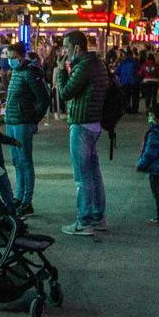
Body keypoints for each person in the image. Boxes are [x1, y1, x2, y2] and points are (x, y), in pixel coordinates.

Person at [56, 31, 109, 236]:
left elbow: (65, 92)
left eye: (66, 47)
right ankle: (98, 217)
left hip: (82, 124)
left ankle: (84, 221)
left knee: (82, 176)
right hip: (94, 123)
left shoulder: (84, 66)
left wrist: (61, 71)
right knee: (94, 174)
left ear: (77, 48)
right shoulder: (98, 64)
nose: (65, 52)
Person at [3, 42, 50, 216]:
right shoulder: (16, 72)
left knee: (25, 161)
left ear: (22, 56)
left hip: (22, 123)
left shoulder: (30, 73)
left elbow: (43, 99)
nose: (11, 60)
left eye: (14, 57)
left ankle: (27, 200)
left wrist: (33, 120)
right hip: (12, 121)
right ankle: (19, 196)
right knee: (16, 161)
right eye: (9, 57)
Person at [117, 49, 141, 114]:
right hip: (134, 82)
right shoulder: (135, 63)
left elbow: (117, 72)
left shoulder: (122, 63)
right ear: (132, 55)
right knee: (135, 97)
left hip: (124, 82)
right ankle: (134, 109)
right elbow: (140, 71)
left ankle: (127, 109)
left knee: (126, 96)